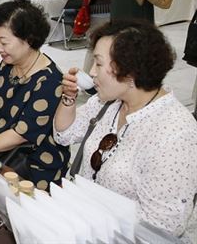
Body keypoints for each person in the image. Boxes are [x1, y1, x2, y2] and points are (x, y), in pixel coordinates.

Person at [53, 20, 197, 240]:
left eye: (99, 64)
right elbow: (64, 134)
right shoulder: (109, 102)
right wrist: (68, 97)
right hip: (85, 227)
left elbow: (162, 227)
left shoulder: (175, 134)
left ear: (130, 74)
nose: (91, 72)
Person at [0, 0, 69, 189]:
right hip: (3, 153)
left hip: (33, 166)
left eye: (3, 42)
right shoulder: (6, 67)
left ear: (28, 39)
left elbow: (20, 135)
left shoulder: (50, 82)